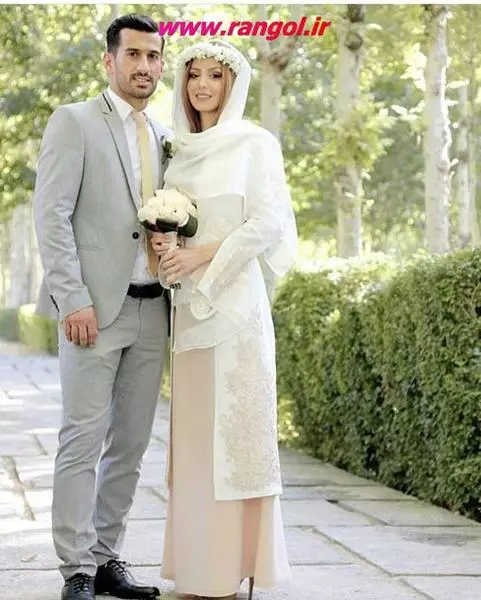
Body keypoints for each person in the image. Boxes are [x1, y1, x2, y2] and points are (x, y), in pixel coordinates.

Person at [151, 40, 298, 600]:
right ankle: (199, 571)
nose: (202, 85)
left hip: (237, 312)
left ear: (233, 84)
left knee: (237, 436)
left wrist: (201, 258)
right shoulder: (178, 153)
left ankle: (238, 566)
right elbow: (172, 231)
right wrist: (168, 253)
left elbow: (269, 223)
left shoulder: (254, 144)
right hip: (189, 313)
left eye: (215, 75)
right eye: (194, 75)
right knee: (193, 442)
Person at [33, 14, 170, 600]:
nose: (144, 66)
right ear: (109, 61)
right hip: (93, 311)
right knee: (82, 441)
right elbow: (52, 216)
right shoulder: (74, 121)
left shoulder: (164, 133)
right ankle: (77, 569)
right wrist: (73, 300)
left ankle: (107, 556)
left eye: (153, 56)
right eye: (133, 54)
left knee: (131, 446)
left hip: (153, 310)